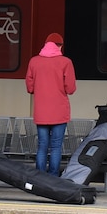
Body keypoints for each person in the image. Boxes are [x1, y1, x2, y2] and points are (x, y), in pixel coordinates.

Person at [25, 32, 77, 176]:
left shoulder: (34, 61)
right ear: (59, 46)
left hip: (41, 112)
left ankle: (40, 177)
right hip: (59, 111)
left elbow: (30, 88)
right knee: (55, 146)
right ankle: (53, 177)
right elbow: (71, 89)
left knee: (42, 146)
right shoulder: (66, 62)